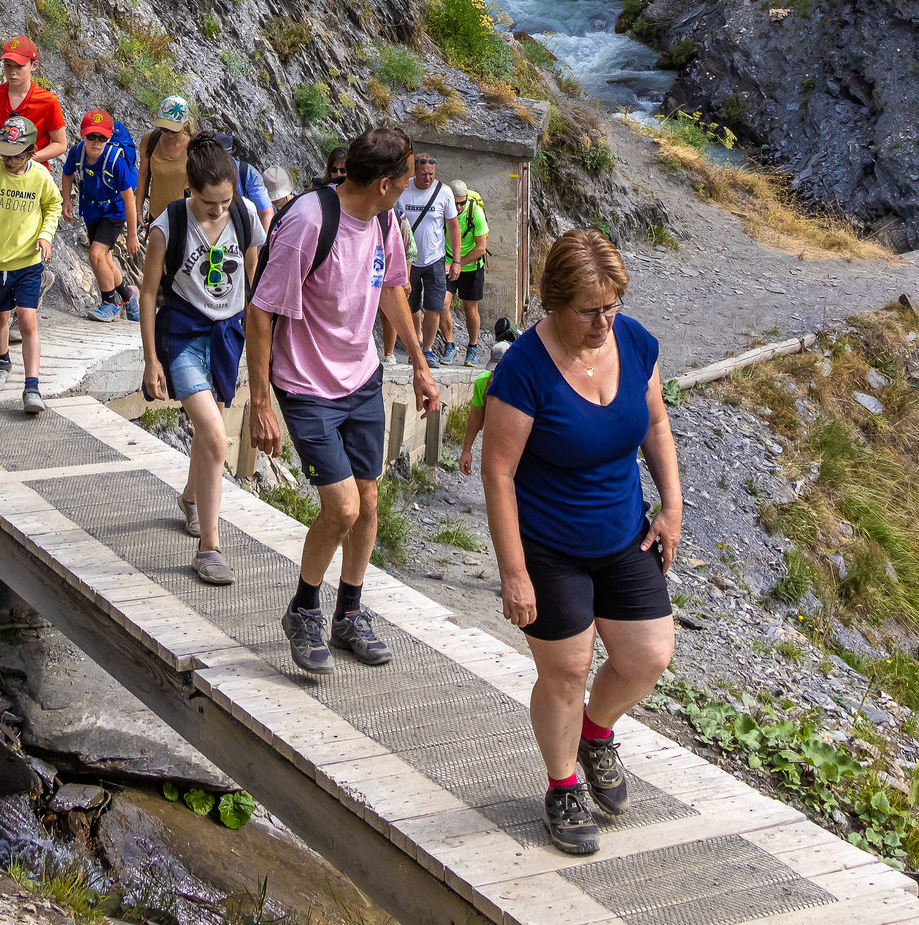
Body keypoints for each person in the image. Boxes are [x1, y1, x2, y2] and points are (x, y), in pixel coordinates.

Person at [480, 229, 681, 857]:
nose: (603, 320)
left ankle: (597, 734)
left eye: (612, 305)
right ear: (554, 304)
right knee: (566, 669)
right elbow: (498, 471)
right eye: (589, 310)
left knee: (648, 655)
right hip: (549, 545)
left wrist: (672, 506)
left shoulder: (634, 341)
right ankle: (562, 785)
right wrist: (513, 571)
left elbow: (654, 422)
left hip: (622, 532)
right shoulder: (523, 370)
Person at [246, 127, 438, 677]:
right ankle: (304, 610)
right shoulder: (308, 223)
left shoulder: (384, 221)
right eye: (403, 182)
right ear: (383, 183)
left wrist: (421, 369)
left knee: (369, 501)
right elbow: (261, 312)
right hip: (307, 385)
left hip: (363, 379)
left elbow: (393, 288)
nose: (407, 189)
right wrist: (261, 402)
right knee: (343, 507)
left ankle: (348, 612)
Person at [140, 135, 261, 586]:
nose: (218, 211)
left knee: (209, 435)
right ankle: (209, 547)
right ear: (190, 188)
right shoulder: (166, 227)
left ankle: (191, 498)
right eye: (210, 203)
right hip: (183, 336)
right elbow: (149, 294)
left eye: (226, 202)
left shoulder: (245, 217)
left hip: (227, 335)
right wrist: (151, 359)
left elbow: (252, 282)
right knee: (214, 434)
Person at [0, 112, 62, 414]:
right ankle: (2, 362)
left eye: (15, 156)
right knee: (0, 317)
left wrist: (45, 235)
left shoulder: (40, 176)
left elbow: (53, 205)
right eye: (3, 153)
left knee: (27, 320)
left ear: (30, 152)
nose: (7, 161)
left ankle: (32, 387)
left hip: (27, 261)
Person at [62, 109, 141, 323]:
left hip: (115, 211)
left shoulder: (116, 162)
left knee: (96, 255)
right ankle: (128, 295)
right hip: (91, 209)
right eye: (91, 136)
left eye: (102, 138)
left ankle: (110, 303)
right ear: (83, 135)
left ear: (108, 138)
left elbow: (129, 199)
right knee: (105, 258)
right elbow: (67, 173)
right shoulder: (76, 153)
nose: (96, 142)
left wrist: (132, 234)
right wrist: (66, 199)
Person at [0, 38, 67, 181]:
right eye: (8, 65)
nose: (12, 72)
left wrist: (25, 159)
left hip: (33, 178)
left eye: (19, 66)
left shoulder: (48, 101)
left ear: (34, 66)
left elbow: (60, 144)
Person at [395, 152, 458, 358]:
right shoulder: (404, 190)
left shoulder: (444, 192)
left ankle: (428, 349)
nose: (428, 178)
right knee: (411, 305)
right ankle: (416, 341)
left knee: (435, 306)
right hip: (408, 260)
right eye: (423, 174)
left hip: (435, 258)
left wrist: (455, 261)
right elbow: (393, 223)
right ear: (415, 172)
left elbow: (453, 227)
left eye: (431, 174)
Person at [451, 179, 490, 364]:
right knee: (441, 305)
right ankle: (449, 344)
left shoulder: (476, 212)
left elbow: (481, 248)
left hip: (472, 266)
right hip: (448, 263)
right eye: (455, 203)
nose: (458, 207)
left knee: (470, 309)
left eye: (462, 202)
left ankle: (472, 347)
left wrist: (459, 263)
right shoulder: (444, 210)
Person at [139, 95, 193, 224]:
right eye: (164, 129)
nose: (168, 134)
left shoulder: (194, 147)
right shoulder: (150, 140)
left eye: (174, 130)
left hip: (186, 219)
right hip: (157, 217)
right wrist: (139, 211)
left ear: (185, 124)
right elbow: (143, 175)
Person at [458, 361, 491, 475]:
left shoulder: (524, 383)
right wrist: (466, 450)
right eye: (494, 371)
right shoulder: (482, 382)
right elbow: (476, 416)